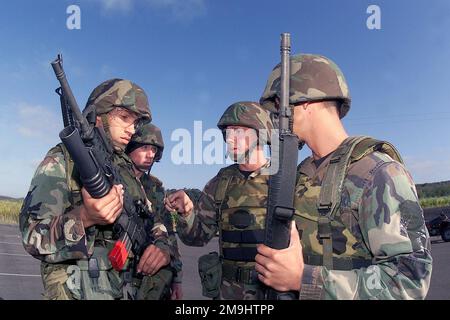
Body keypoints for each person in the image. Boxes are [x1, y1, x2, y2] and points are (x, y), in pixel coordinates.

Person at [254, 54, 432, 299]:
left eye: (279, 107)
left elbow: (410, 281)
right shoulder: (297, 177)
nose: (274, 119)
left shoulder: (378, 173)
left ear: (305, 102)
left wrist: (304, 280)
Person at [19, 78, 171, 300]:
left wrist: (161, 246)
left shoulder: (125, 168)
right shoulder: (64, 160)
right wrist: (84, 218)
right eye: (125, 118)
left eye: (136, 123)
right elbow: (31, 236)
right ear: (98, 116)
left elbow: (152, 219)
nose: (132, 130)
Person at [165, 101, 273, 299]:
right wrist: (187, 211)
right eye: (228, 133)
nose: (231, 139)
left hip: (272, 292)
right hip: (228, 294)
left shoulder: (285, 181)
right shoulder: (219, 183)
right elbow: (197, 239)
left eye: (239, 132)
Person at [126, 122, 184, 300]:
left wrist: (177, 278)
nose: (150, 154)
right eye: (144, 147)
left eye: (154, 150)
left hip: (152, 273)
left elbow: (169, 233)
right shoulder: (115, 178)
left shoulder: (156, 188)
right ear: (131, 147)